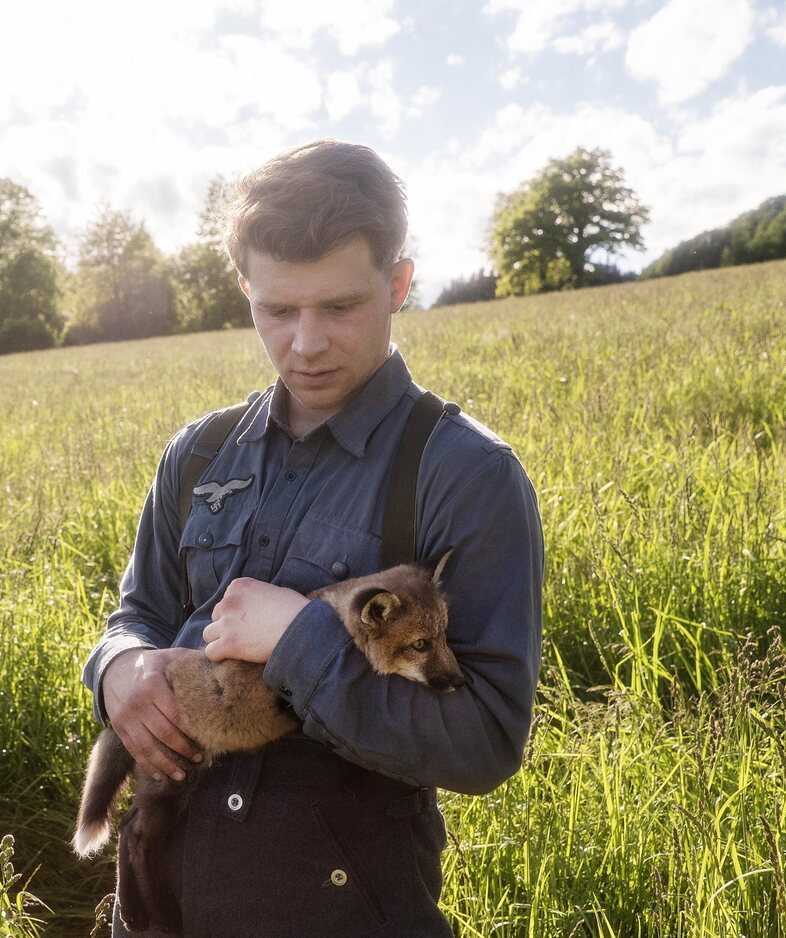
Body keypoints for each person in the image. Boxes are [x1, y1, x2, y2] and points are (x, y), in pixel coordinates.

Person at [81, 140, 544, 936]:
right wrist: (118, 669)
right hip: (157, 907)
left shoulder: (465, 475)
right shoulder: (197, 454)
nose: (305, 343)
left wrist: (298, 641)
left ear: (399, 283)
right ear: (244, 291)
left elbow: (485, 740)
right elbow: (139, 614)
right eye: (277, 310)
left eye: (339, 307)